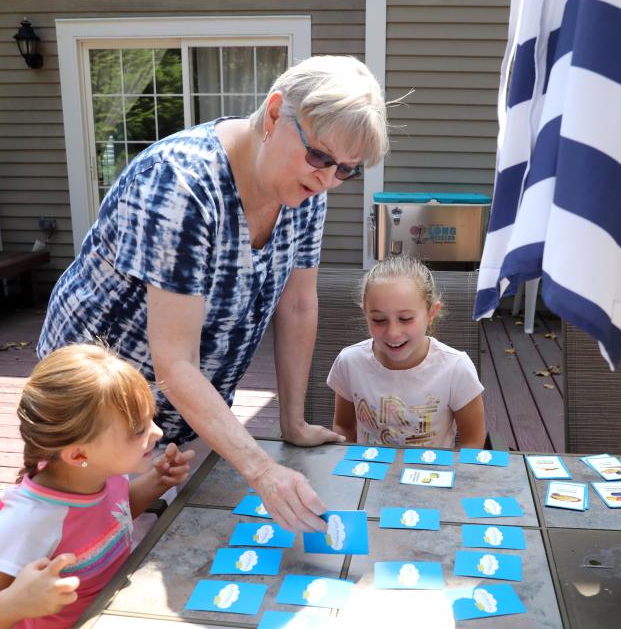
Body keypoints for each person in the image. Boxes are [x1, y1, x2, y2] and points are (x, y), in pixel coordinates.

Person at [36, 55, 390, 532]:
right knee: (75, 545)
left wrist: (293, 423)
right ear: (273, 114)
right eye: (320, 156)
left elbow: (298, 303)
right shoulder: (180, 183)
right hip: (92, 411)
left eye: (346, 170)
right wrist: (262, 469)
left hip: (174, 414)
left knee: (150, 532)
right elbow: (174, 362)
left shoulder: (306, 192)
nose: (327, 179)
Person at [0, 344, 194, 629]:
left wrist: (156, 482)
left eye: (151, 418)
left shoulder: (104, 473)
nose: (158, 432)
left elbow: (113, 518)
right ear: (78, 455)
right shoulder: (28, 521)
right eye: (139, 430)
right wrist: (17, 603)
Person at [328, 257, 487, 448]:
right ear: (366, 314)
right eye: (379, 320)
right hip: (368, 473)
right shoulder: (350, 362)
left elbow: (474, 440)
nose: (393, 333)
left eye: (405, 318)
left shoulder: (455, 368)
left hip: (431, 474)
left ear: (431, 313)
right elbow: (344, 427)